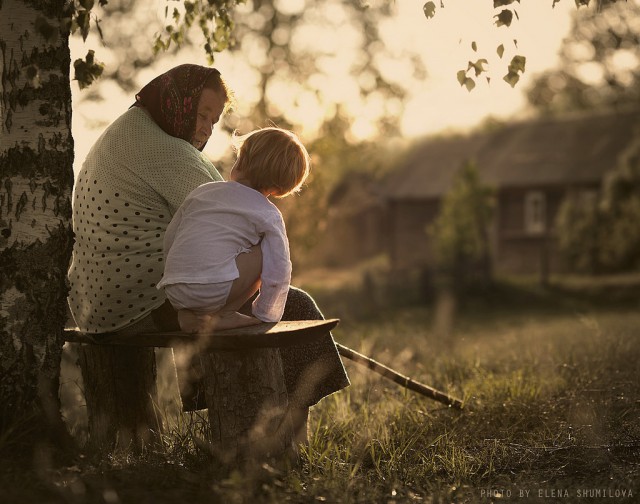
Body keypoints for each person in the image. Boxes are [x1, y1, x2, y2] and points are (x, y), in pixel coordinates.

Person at [67, 64, 349, 439]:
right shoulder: (168, 153)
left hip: (96, 302)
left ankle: (247, 418)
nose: (205, 128)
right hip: (138, 303)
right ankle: (286, 435)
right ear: (177, 102)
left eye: (214, 121)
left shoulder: (130, 130)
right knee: (292, 305)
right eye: (202, 115)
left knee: (218, 287)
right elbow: (237, 225)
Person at [157, 127, 311, 334]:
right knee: (264, 253)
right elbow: (279, 268)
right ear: (281, 187)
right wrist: (267, 313)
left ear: (241, 162)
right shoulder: (268, 213)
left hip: (174, 289)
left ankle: (187, 315)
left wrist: (176, 273)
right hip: (213, 290)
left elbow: (171, 238)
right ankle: (225, 313)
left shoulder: (202, 192)